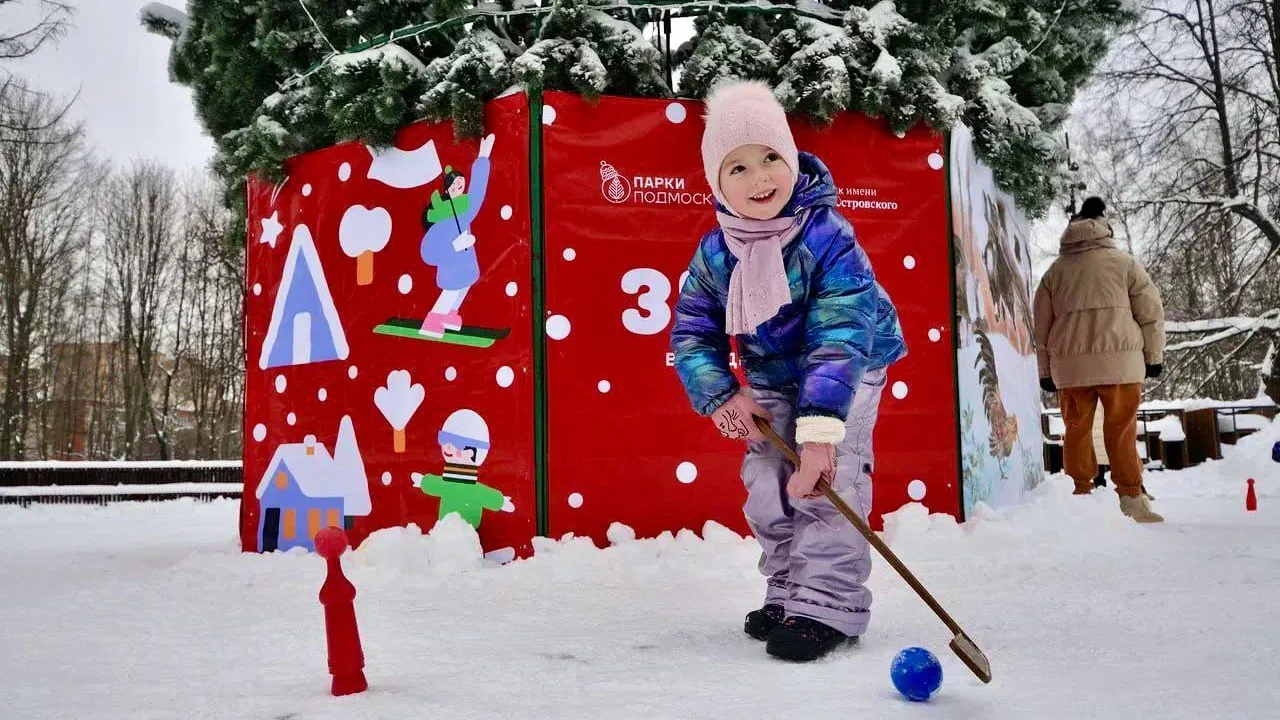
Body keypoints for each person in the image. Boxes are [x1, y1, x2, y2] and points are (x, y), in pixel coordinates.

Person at [670, 81, 907, 662]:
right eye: (739, 168)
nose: (760, 179)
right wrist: (723, 396)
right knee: (768, 481)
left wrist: (821, 434)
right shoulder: (717, 251)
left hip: (846, 368)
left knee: (825, 480)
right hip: (773, 374)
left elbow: (841, 335)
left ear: (791, 157)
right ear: (717, 183)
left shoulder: (827, 236)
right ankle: (789, 590)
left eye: (771, 156)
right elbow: (691, 332)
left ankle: (827, 604)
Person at [1033, 197, 1166, 522]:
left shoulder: (1055, 272)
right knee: (1121, 429)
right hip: (1121, 365)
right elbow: (1151, 313)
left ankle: (1080, 492)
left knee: (1076, 429)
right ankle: (1131, 496)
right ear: (1104, 228)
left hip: (1071, 368)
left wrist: (1045, 370)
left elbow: (1040, 327)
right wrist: (1154, 356)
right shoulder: (1124, 264)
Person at [419, 134, 495, 338]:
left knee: (464, 288)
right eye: (455, 185)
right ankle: (433, 319)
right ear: (447, 190)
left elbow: (478, 192)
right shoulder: (440, 217)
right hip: (451, 267)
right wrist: (455, 245)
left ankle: (450, 316)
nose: (460, 187)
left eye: (461, 184)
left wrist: (482, 158)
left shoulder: (464, 209)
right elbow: (428, 253)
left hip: (466, 265)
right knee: (451, 291)